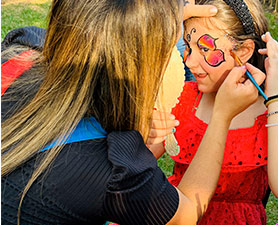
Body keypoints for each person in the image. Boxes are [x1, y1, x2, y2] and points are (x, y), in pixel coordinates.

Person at [1, 0, 266, 225]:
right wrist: (221, 116)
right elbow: (185, 214)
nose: (185, 60)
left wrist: (157, 20)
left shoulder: (19, 55)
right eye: (173, 48)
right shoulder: (118, 172)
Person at [148, 0, 278, 224]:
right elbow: (136, 164)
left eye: (205, 49)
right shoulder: (182, 98)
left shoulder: (269, 114)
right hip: (179, 215)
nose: (189, 61)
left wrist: (274, 99)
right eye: (188, 47)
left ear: (244, 51)